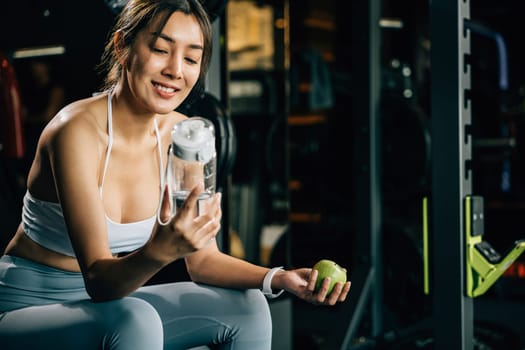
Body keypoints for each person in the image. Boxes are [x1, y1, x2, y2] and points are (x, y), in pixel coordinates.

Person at [0, 0, 352, 349]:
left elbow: (202, 262)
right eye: (160, 49)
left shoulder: (186, 137)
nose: (175, 70)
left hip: (110, 308)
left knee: (248, 307)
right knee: (135, 320)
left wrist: (279, 277)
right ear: (123, 47)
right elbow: (99, 280)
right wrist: (159, 250)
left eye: (190, 58)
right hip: (29, 309)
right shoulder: (75, 132)